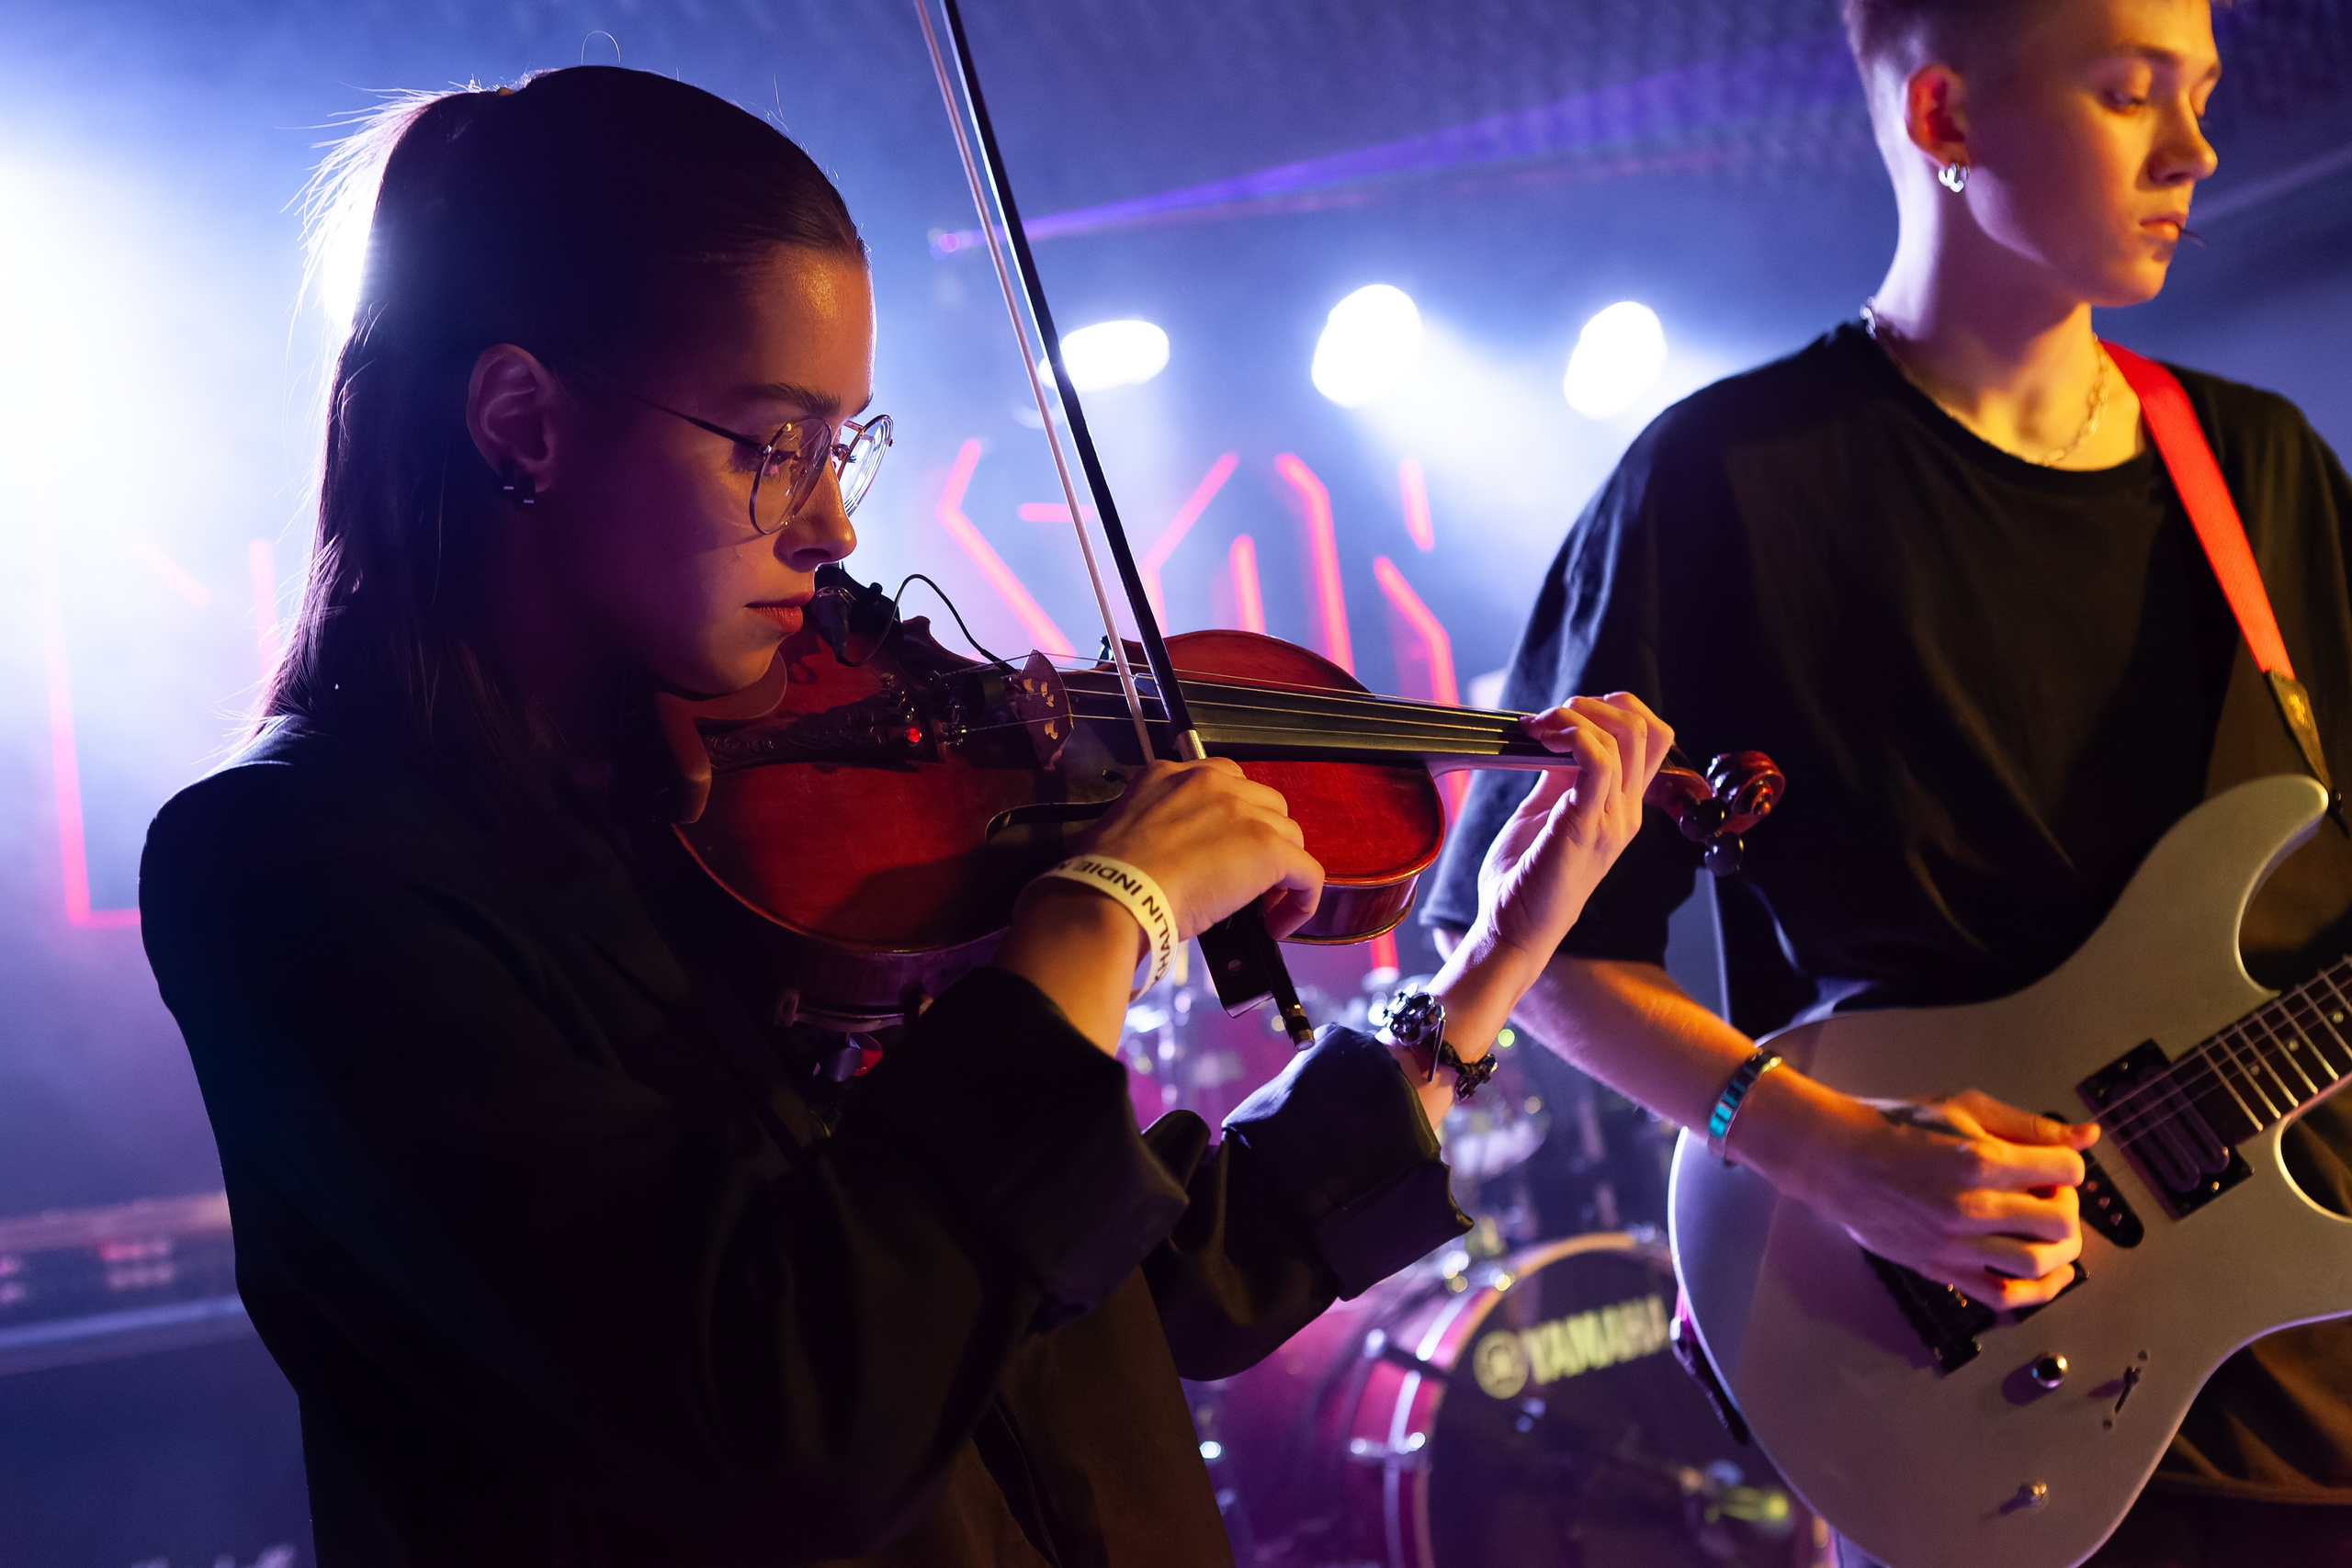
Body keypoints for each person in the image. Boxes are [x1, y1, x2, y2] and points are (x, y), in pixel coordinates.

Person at [137, 66, 1672, 1568]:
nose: (835, 525)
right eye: (771, 445)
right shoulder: (298, 872)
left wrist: (1481, 984)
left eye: (843, 443)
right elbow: (795, 1422)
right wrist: (1097, 925)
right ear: (525, 423)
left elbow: (1125, 1304)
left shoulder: (749, 814)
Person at [1422, 1, 2352, 1564]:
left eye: (2198, 93)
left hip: (2316, 1391)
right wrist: (1822, 1151)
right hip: (1987, 1404)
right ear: (1944, 119)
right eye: (2132, 95)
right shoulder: (1729, 482)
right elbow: (1538, 955)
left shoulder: (2261, 466)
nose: (2196, 149)